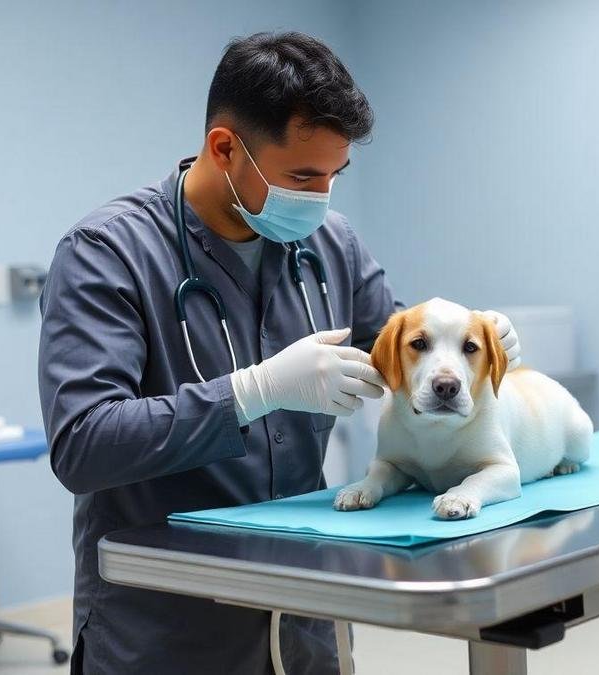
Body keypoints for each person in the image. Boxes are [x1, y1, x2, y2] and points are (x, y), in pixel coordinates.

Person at [38, 31, 520, 674]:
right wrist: (250, 392)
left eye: (333, 175)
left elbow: (406, 358)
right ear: (225, 147)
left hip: (300, 613)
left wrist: (468, 346)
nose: (320, 197)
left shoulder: (331, 246)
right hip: (165, 624)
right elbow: (84, 444)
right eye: (302, 175)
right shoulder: (107, 254)